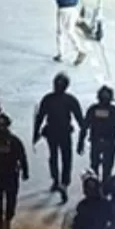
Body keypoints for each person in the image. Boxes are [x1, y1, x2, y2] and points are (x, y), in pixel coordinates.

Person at [33, 72, 84, 202]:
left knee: (53, 157)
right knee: (66, 158)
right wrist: (82, 139)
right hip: (64, 133)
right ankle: (64, 183)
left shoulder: (48, 99)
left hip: (52, 132)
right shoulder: (70, 100)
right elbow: (80, 119)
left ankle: (56, 180)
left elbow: (39, 118)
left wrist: (35, 134)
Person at [0, 114, 28, 229]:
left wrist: (25, 171)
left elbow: (22, 157)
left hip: (10, 174)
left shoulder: (14, 141)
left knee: (10, 200)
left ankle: (7, 220)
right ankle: (0, 221)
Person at [79, 85, 115, 178]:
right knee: (107, 168)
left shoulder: (93, 109)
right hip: (110, 142)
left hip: (96, 141)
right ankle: (105, 187)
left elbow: (84, 126)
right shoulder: (114, 111)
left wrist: (80, 142)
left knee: (94, 167)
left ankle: (95, 186)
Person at [46, 0, 87, 65]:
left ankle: (61, 54)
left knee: (60, 32)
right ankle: (80, 50)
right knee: (70, 30)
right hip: (73, 8)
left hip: (64, 9)